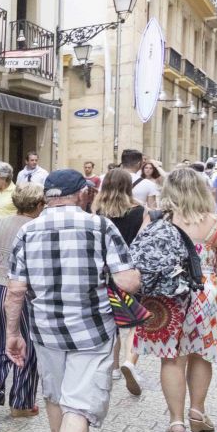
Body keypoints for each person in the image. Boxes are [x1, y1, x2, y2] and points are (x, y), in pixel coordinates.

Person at [6, 170, 139, 432]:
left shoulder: (27, 230)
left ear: (48, 197)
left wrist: (12, 335)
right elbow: (128, 282)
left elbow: (16, 290)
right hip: (91, 331)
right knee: (78, 404)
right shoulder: (100, 227)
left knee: (54, 392)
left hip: (46, 329)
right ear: (82, 193)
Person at [134, 168, 217, 432]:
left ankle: (176, 422)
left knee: (172, 358)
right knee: (201, 355)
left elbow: (141, 256)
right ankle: (197, 412)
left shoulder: (156, 217)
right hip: (206, 294)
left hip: (168, 297)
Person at [0, 182, 44, 418]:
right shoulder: (37, 227)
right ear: (38, 204)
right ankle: (21, 404)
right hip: (22, 293)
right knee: (26, 345)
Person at [92, 168, 150, 396]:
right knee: (135, 318)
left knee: (111, 318)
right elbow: (143, 242)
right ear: (129, 186)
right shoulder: (139, 211)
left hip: (104, 270)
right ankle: (129, 361)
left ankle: (114, 366)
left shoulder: (96, 210)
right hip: (130, 270)